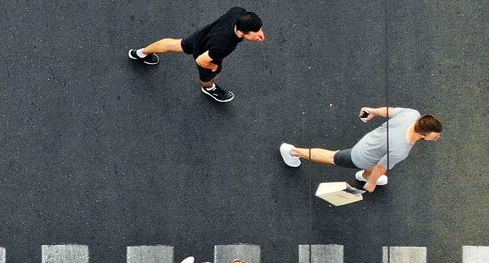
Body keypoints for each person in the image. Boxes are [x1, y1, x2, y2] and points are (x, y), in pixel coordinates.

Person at [279, 108, 443, 194]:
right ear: (422, 134)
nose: (437, 138)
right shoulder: (401, 149)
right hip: (361, 157)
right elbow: (381, 167)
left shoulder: (412, 114)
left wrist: (373, 111)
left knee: (374, 164)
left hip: (373, 142)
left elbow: (390, 110)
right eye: (434, 137)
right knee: (331, 157)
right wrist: (371, 183)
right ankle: (292, 151)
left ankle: (363, 175)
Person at [126, 7, 265, 103]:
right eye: (256, 32)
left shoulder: (238, 12)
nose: (260, 33)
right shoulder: (225, 45)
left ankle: (141, 53)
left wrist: (256, 30)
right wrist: (214, 68)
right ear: (242, 33)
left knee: (174, 44)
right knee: (209, 73)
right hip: (206, 51)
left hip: (203, 35)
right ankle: (208, 88)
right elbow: (201, 60)